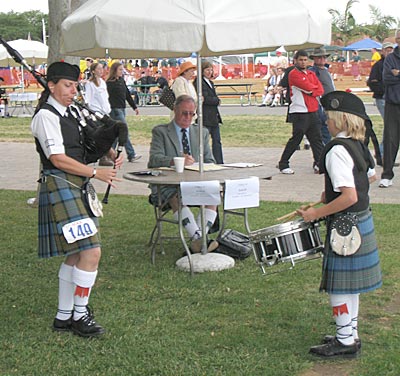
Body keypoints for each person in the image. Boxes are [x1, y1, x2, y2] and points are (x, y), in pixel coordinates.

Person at [31, 61, 124, 337]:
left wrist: (108, 153)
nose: (74, 91)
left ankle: (63, 316)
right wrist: (97, 172)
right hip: (61, 183)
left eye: (75, 86)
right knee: (91, 251)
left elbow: (85, 142)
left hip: (76, 184)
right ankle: (80, 314)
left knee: (75, 253)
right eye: (68, 86)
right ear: (51, 86)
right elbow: (58, 159)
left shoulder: (69, 112)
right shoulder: (45, 117)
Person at [297, 90, 382, 359]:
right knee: (350, 286)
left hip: (345, 226)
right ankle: (349, 333)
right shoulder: (358, 144)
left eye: (329, 117)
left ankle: (344, 341)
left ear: (340, 119)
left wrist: (316, 213)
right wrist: (330, 194)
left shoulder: (336, 150)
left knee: (338, 286)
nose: (325, 121)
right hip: (361, 220)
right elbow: (370, 177)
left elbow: (349, 196)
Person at [147, 95, 218, 253]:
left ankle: (198, 239)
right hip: (168, 185)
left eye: (191, 114)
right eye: (184, 113)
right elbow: (154, 160)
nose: (188, 117)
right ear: (175, 111)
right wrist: (176, 160)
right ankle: (199, 240)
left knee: (213, 196)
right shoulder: (161, 132)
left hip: (195, 182)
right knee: (176, 197)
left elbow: (209, 160)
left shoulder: (201, 132)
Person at [277, 49, 324, 174]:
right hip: (299, 111)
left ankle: (319, 163)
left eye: (305, 60)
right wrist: (313, 89)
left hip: (312, 110)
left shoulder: (310, 74)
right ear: (295, 61)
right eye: (300, 60)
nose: (303, 62)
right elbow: (309, 89)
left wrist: (314, 89)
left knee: (316, 139)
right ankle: (283, 163)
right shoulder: (293, 74)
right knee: (296, 139)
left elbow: (319, 89)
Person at [106, 61, 141, 163]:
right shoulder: (109, 83)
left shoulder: (121, 81)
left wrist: (134, 107)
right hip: (114, 109)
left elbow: (127, 95)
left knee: (116, 135)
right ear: (115, 70)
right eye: (120, 70)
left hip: (122, 108)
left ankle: (108, 154)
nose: (122, 72)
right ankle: (131, 154)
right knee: (124, 131)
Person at [380, 29, 400, 188]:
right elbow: (386, 78)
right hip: (393, 104)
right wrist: (393, 74)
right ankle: (387, 175)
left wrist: (397, 74)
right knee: (390, 140)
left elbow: (394, 76)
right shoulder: (390, 58)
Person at [193, 61, 224, 164]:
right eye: (207, 70)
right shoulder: (199, 82)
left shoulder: (210, 82)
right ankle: (202, 161)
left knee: (217, 141)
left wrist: (214, 99)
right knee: (203, 141)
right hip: (205, 115)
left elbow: (210, 97)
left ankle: (219, 161)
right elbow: (204, 98)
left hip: (214, 116)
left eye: (211, 70)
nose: (209, 72)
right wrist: (215, 100)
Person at [84, 62, 113, 166]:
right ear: (93, 71)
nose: (101, 71)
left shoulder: (103, 82)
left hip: (106, 112)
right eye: (99, 69)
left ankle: (108, 153)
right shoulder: (90, 84)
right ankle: (103, 156)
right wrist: (90, 113)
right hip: (97, 113)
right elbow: (88, 100)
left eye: (102, 68)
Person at [309, 47, 336, 145]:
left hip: (329, 102)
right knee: (323, 126)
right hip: (320, 102)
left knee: (328, 125)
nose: (322, 59)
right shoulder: (313, 71)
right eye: (319, 57)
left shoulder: (326, 70)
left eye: (324, 57)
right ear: (314, 59)